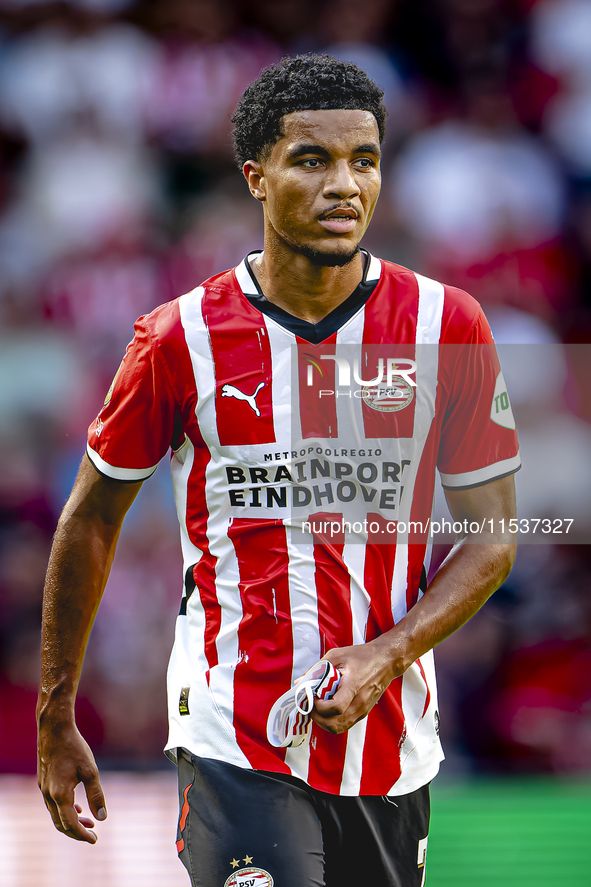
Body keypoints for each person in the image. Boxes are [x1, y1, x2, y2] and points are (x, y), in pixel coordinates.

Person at [37, 55, 520, 887]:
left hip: (389, 740)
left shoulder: (447, 324)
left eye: (363, 160)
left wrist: (388, 653)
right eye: (312, 159)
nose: (344, 184)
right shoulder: (178, 338)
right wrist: (56, 709)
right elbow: (90, 518)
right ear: (257, 177)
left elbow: (493, 539)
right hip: (233, 727)